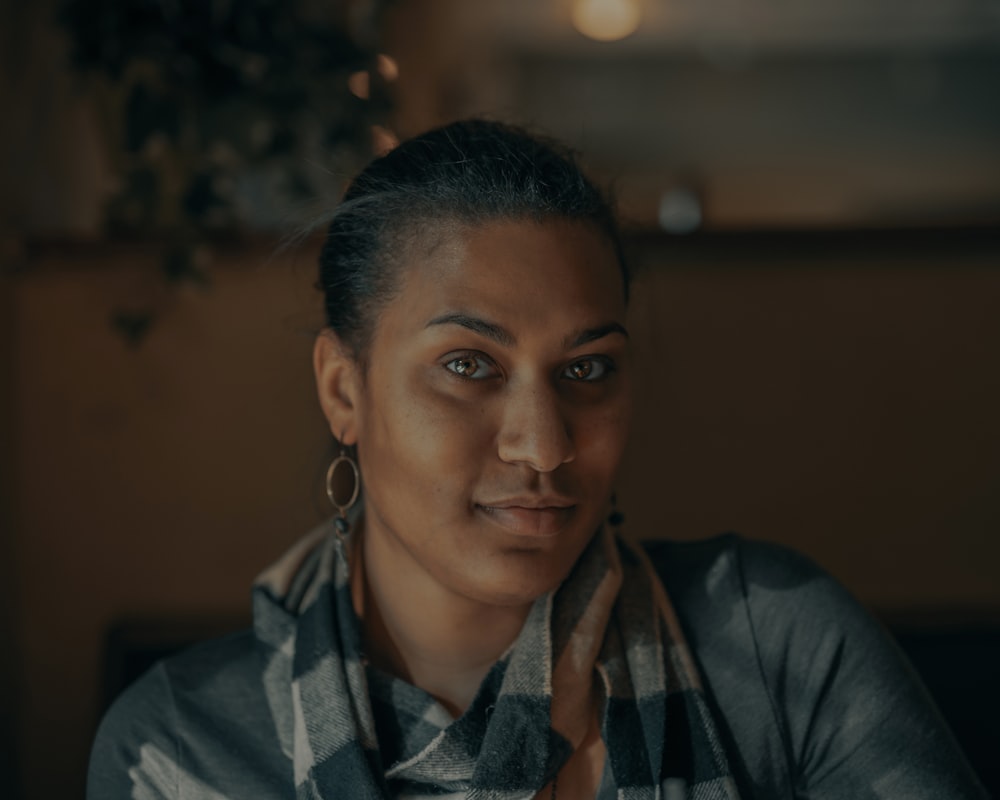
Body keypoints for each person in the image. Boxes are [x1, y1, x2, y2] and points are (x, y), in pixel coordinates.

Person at [87, 120, 988, 799]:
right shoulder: (186, 745)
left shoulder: (775, 643)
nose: (546, 444)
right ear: (343, 391)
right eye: (468, 366)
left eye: (587, 369)